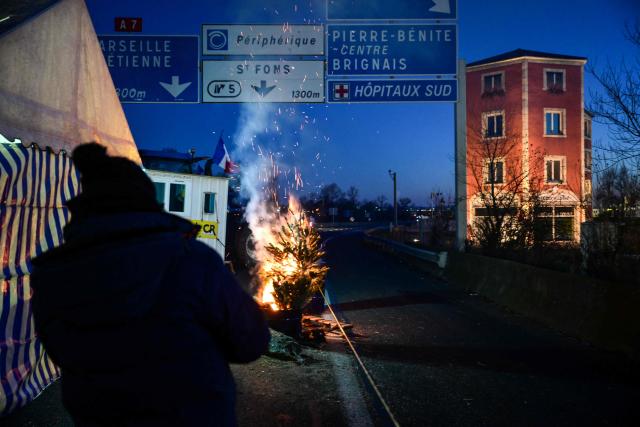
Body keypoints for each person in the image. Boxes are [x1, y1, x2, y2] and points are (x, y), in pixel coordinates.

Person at [31, 143, 270, 427]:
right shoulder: (193, 261)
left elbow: (63, 352)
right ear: (146, 202)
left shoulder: (52, 275)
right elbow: (251, 341)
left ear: (84, 209)